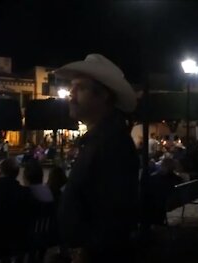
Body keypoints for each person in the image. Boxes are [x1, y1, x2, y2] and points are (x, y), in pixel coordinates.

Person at [55, 54, 139, 263]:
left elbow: (114, 211)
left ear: (103, 96)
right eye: (71, 87)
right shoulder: (99, 139)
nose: (71, 95)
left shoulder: (111, 143)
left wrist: (87, 251)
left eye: (80, 88)